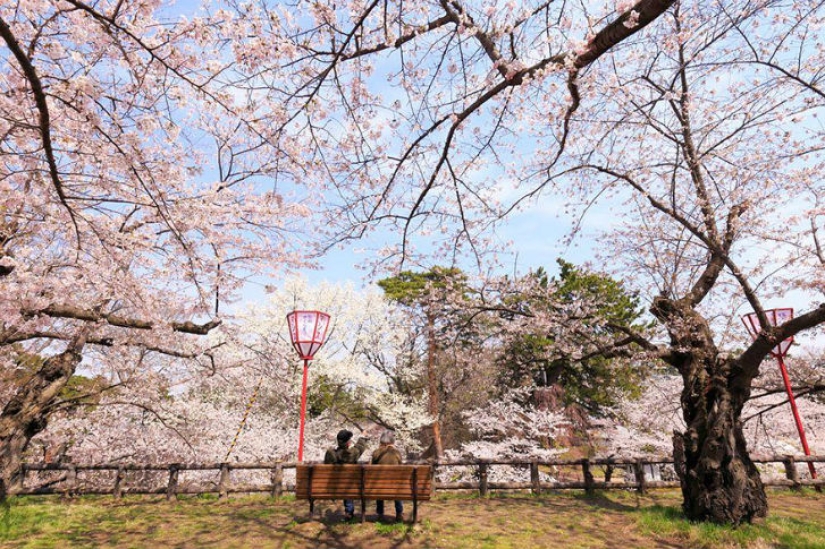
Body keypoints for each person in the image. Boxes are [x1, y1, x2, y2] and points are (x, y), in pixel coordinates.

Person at [324, 428, 369, 520]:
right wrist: (362, 436)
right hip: (348, 487)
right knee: (347, 483)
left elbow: (327, 463)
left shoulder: (330, 453)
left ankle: (349, 512)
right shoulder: (351, 454)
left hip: (333, 486)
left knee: (343, 482)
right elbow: (359, 447)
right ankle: (349, 512)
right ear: (348, 443)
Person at [371, 430, 404, 523]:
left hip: (379, 486)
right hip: (395, 486)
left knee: (379, 484)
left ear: (381, 441)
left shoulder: (376, 452)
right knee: (398, 487)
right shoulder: (396, 453)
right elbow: (401, 467)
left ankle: (380, 514)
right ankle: (399, 513)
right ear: (392, 441)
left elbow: (371, 468)